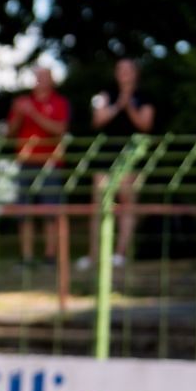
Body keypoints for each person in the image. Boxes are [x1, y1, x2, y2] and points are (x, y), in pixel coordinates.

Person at [79, 57, 156, 270]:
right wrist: (117, 106)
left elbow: (145, 124)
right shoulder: (106, 95)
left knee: (127, 202)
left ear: (136, 73)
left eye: (128, 70)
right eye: (120, 69)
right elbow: (97, 120)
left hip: (132, 152)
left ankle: (120, 254)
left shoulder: (144, 97)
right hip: (107, 153)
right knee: (99, 203)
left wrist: (129, 107)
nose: (124, 73)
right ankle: (94, 255)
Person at [7, 65, 69, 267]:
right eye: (37, 77)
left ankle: (50, 256)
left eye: (44, 76)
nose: (40, 80)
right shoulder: (22, 102)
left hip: (50, 163)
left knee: (50, 211)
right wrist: (18, 114)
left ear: (52, 80)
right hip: (25, 163)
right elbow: (9, 132)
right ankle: (26, 257)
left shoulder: (59, 102)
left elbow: (58, 130)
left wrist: (33, 113)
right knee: (24, 212)